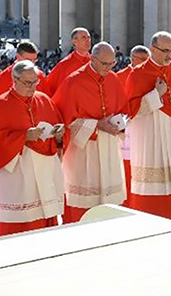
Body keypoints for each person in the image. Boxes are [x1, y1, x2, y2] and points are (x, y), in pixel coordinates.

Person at [0, 61, 64, 237]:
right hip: (16, 171)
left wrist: (58, 134)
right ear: (14, 79)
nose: (32, 87)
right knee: (18, 221)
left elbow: (54, 131)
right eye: (27, 83)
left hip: (43, 169)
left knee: (42, 217)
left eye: (35, 82)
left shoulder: (44, 100)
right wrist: (23, 137)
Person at [53, 42, 128, 223]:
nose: (108, 68)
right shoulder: (73, 81)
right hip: (84, 150)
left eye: (112, 64)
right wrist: (96, 125)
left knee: (110, 207)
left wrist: (120, 123)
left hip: (109, 145)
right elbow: (64, 120)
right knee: (84, 204)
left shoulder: (112, 79)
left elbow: (124, 109)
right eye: (104, 64)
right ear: (93, 59)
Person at [125, 31, 171, 221]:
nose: (170, 56)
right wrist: (156, 94)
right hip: (151, 135)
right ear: (153, 49)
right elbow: (131, 109)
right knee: (154, 192)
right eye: (165, 51)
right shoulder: (138, 74)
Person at [117, 45, 149, 203]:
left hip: (144, 127)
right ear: (133, 59)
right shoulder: (119, 76)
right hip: (127, 127)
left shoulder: (148, 75)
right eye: (143, 60)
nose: (146, 63)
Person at [0, 41, 46, 109]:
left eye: (34, 60)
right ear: (17, 57)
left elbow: (45, 101)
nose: (31, 63)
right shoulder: (5, 77)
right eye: (28, 60)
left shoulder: (39, 75)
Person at [44, 27, 92, 98]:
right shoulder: (64, 65)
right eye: (83, 37)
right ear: (74, 41)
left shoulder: (95, 62)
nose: (88, 40)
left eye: (89, 37)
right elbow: (50, 88)